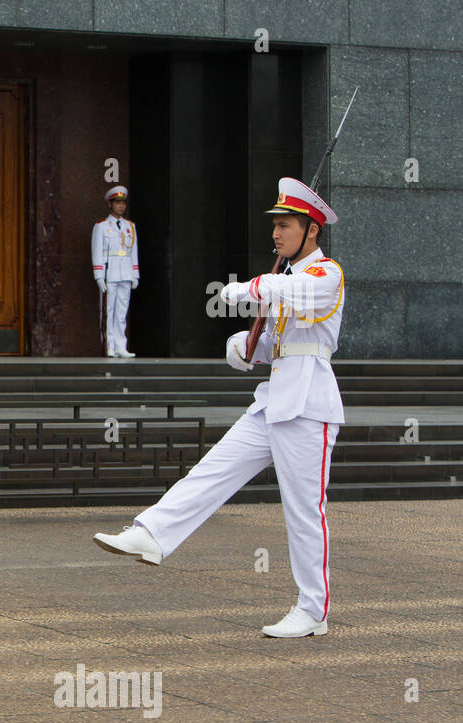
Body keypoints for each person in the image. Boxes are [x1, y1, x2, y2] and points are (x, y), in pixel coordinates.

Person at [93, 177, 344, 639]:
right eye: (275, 225)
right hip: (275, 400)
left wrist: (247, 289)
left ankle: (313, 610)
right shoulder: (284, 281)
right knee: (212, 470)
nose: (276, 233)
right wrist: (244, 347)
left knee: (305, 512)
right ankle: (151, 533)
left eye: (286, 225)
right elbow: (275, 345)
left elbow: (298, 299)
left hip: (309, 405)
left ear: (311, 230)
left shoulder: (325, 275)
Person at [91, 185, 139, 358]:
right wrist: (99, 275)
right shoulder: (102, 226)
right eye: (117, 203)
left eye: (123, 203)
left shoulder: (130, 226)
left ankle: (121, 345)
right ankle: (109, 345)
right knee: (108, 311)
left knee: (121, 313)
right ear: (110, 204)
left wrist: (135, 274)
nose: (120, 206)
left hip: (125, 273)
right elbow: (97, 251)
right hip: (109, 274)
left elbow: (133, 251)